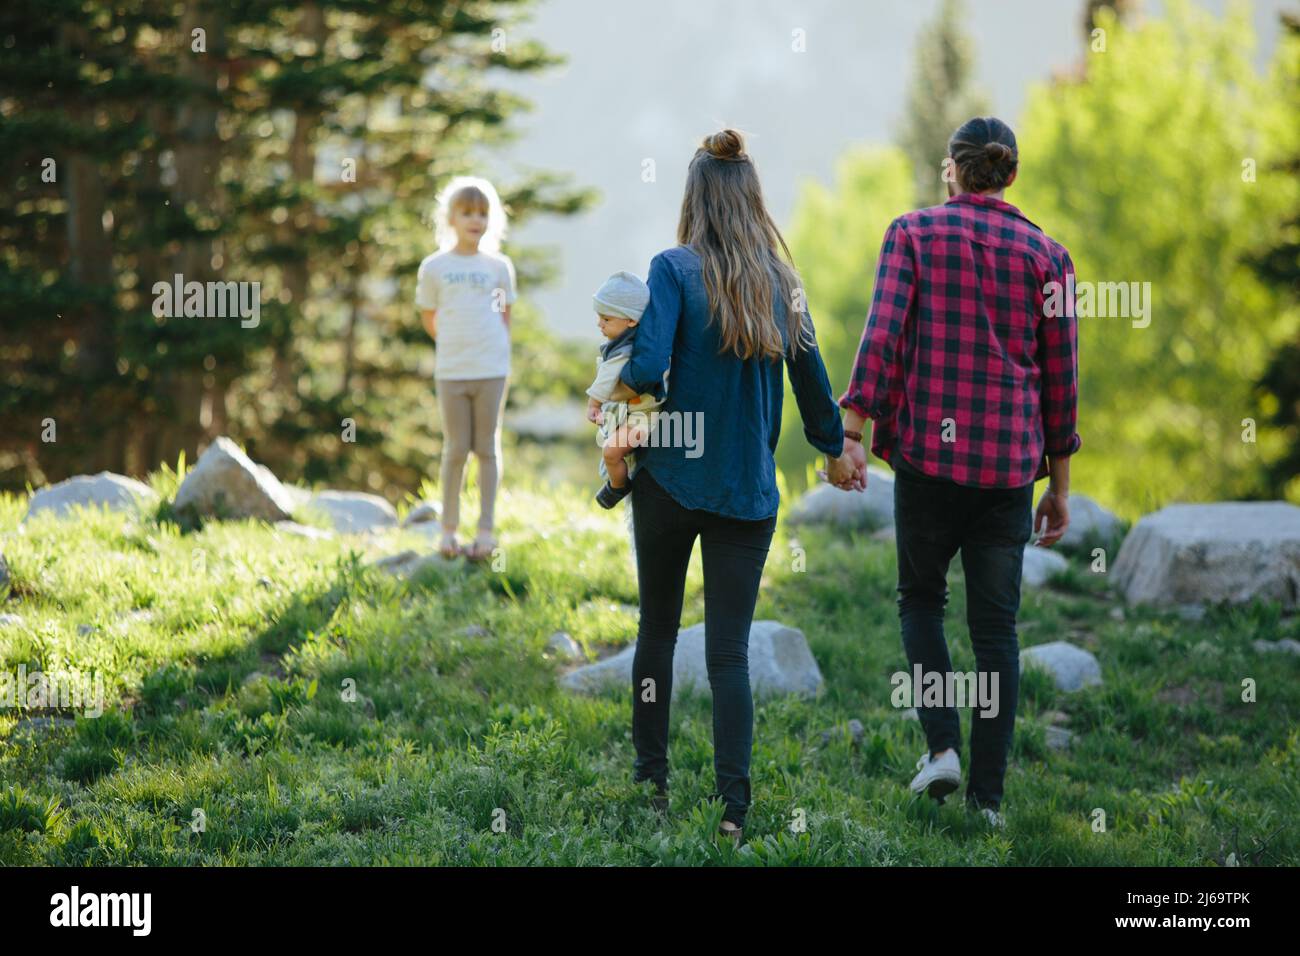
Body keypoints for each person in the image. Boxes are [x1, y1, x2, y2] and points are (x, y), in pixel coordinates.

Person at [612, 129, 859, 844]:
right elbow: (816, 390)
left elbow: (650, 366)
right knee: (729, 653)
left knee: (656, 630)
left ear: (694, 198)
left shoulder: (673, 268)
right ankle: (732, 812)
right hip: (747, 493)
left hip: (669, 482)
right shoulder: (784, 284)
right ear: (754, 201)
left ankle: (652, 783)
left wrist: (617, 382)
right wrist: (835, 452)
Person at [836, 116, 1081, 828]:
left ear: (953, 169)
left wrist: (853, 431)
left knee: (921, 601)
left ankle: (941, 747)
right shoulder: (1050, 257)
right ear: (1010, 175)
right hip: (1007, 469)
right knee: (997, 633)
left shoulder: (911, 234)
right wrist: (1059, 487)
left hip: (927, 459)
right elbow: (1061, 380)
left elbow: (882, 334)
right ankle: (989, 800)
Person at [415, 176, 516, 561]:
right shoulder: (435, 267)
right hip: (452, 371)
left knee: (486, 448)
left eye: (482, 213)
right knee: (456, 449)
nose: (475, 220)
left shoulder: (499, 266)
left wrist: (491, 352)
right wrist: (455, 346)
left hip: (491, 369)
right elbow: (430, 316)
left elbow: (504, 315)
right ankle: (449, 531)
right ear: (451, 218)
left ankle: (485, 531)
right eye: (467, 212)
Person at [582, 271, 661, 508]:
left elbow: (605, 380)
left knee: (611, 452)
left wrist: (593, 405)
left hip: (644, 419)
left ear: (631, 320)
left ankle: (618, 487)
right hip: (633, 414)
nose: (600, 323)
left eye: (606, 319)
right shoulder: (636, 343)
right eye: (599, 317)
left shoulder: (623, 352)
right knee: (612, 447)